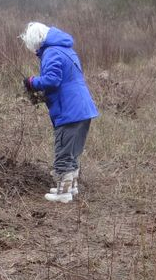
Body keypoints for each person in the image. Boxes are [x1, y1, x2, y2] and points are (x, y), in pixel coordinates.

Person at [20, 22, 99, 203]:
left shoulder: (51, 52)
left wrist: (31, 82)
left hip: (69, 110)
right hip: (82, 108)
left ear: (36, 41)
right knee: (72, 151)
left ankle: (63, 193)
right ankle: (71, 186)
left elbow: (52, 80)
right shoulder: (66, 49)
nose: (33, 51)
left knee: (63, 150)